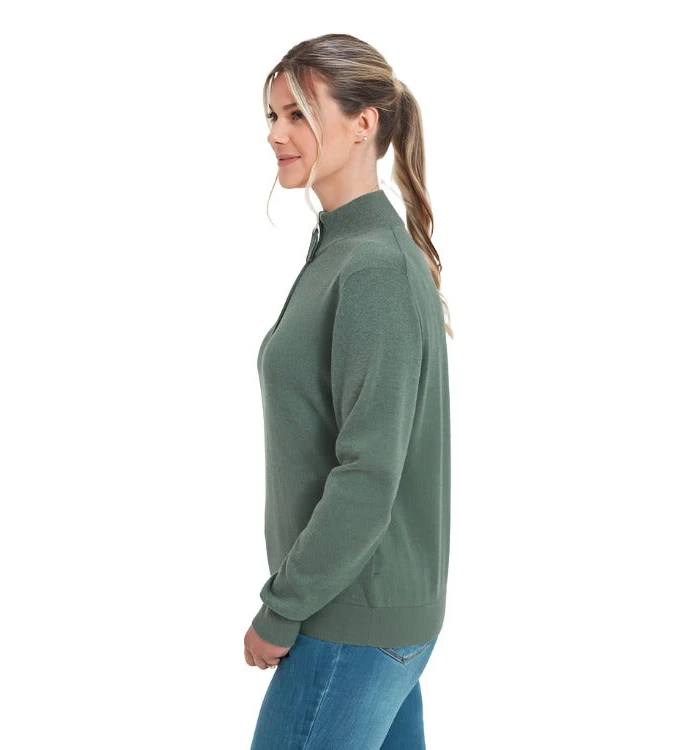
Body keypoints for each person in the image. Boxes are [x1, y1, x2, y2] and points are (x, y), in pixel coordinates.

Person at [244, 33, 453, 749]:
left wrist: (281, 609)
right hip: (373, 616)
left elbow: (366, 475)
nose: (277, 134)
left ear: (364, 123)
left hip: (349, 623)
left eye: (299, 115)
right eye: (273, 116)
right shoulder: (345, 248)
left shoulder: (372, 268)